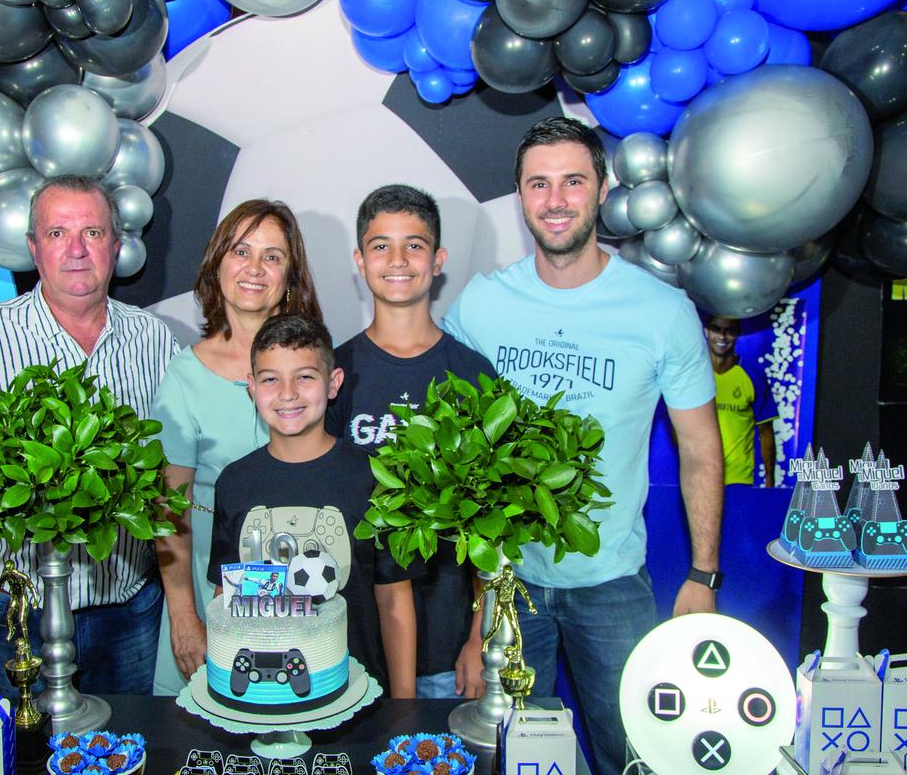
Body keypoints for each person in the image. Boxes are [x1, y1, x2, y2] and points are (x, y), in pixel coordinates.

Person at [442, 117, 723, 775]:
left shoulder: (662, 311)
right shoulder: (482, 306)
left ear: (602, 190)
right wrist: (478, 601)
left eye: (573, 181)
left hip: (613, 584)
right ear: (520, 197)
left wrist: (704, 575)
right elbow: (453, 452)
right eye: (538, 184)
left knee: (635, 754)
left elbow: (702, 450)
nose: (556, 199)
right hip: (509, 583)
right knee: (509, 757)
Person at [0, 174, 181, 699]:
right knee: (28, 757)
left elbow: (168, 475)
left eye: (92, 232)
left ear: (115, 244)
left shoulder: (156, 339)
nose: (78, 250)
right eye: (59, 233)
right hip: (14, 609)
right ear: (33, 248)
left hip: (126, 606)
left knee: (125, 750)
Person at [326, 184, 495, 699]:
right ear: (360, 260)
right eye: (381, 246)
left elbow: (494, 525)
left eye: (414, 245)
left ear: (438, 259)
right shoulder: (332, 374)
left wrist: (479, 639)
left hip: (447, 651)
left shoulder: (471, 374)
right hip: (346, 649)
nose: (397, 260)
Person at [151, 200, 323, 696]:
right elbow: (167, 510)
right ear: (217, 264)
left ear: (291, 276)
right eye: (241, 251)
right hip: (212, 596)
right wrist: (184, 613)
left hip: (306, 594)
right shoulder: (184, 378)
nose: (254, 269)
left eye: (272, 256)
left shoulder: (315, 362)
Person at [208, 314, 418, 696]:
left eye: (304, 376)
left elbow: (394, 600)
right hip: (264, 692)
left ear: (333, 383)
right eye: (271, 379)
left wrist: (404, 706)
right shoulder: (235, 483)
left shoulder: (374, 477)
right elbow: (226, 599)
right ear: (252, 388)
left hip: (358, 688)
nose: (287, 393)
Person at [704, 315, 778, 487]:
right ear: (707, 331)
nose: (722, 337)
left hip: (739, 479)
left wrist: (769, 479)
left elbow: (766, 431)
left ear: (738, 335)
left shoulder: (754, 377)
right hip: (701, 476)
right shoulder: (694, 374)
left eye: (729, 331)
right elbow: (678, 425)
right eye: (716, 329)